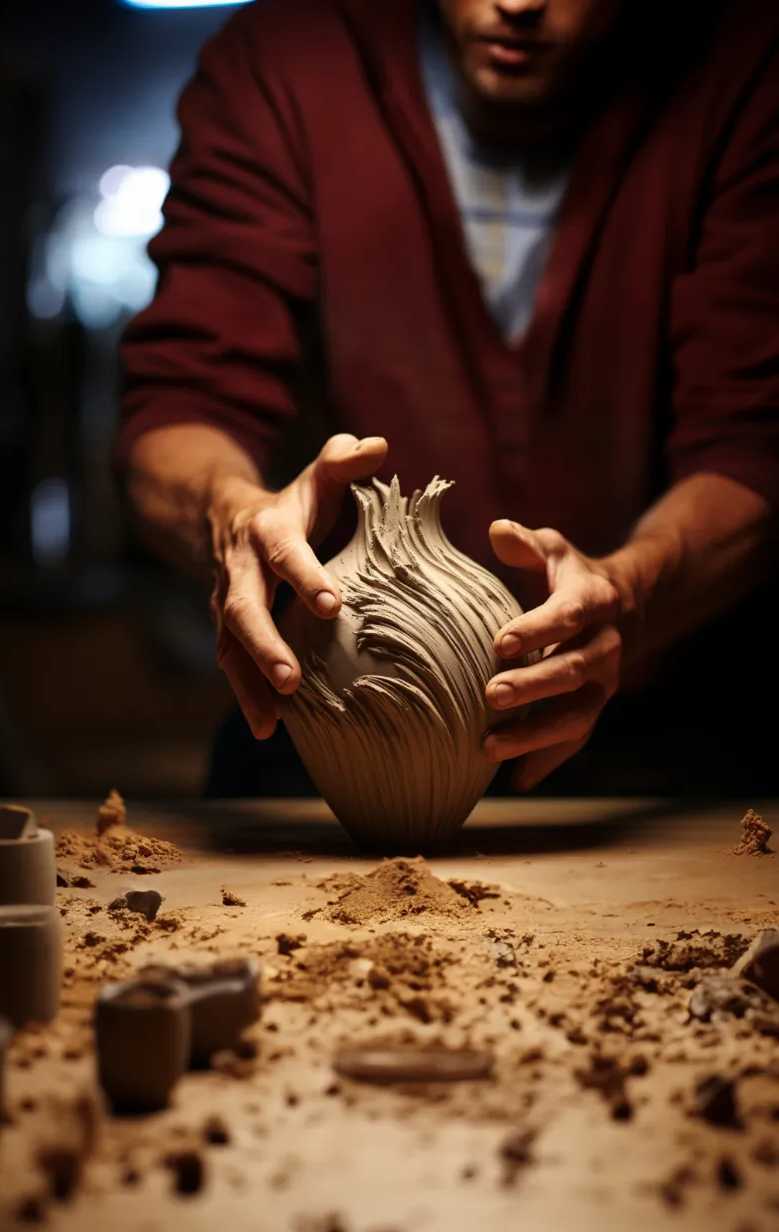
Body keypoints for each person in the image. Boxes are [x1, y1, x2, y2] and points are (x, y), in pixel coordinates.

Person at [118, 0, 778, 799]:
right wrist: (231, 513)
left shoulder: (743, 66)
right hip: (335, 707)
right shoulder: (286, 56)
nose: (520, 3)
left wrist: (631, 595)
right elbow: (183, 398)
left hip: (661, 715)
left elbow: (754, 441)